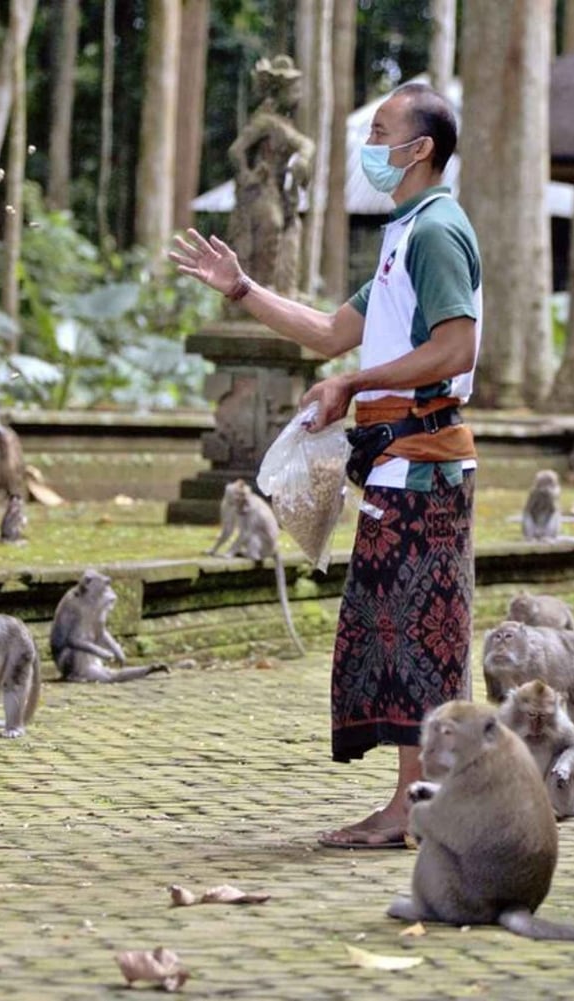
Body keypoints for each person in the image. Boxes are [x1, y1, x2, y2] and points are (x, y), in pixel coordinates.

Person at [169, 82, 481, 850]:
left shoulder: (438, 231)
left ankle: (418, 807)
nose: (370, 147)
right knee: (392, 632)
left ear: (421, 151)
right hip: (391, 462)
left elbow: (456, 348)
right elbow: (327, 333)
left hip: (423, 463)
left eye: (381, 133)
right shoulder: (403, 234)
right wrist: (241, 289)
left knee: (418, 636)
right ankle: (416, 799)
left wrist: (354, 384)